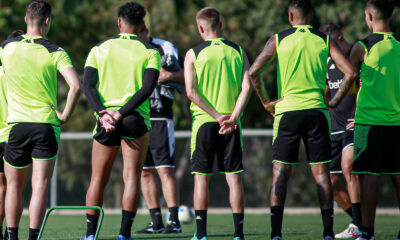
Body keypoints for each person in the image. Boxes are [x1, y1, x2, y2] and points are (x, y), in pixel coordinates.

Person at [249, 0, 357, 239]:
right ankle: (328, 233)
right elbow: (351, 73)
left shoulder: (278, 39)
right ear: (311, 15)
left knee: (280, 173)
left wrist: (267, 102)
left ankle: (276, 234)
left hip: (287, 112)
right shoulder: (323, 39)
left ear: (290, 16)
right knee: (321, 175)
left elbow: (253, 71)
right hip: (317, 113)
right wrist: (334, 101)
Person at [0, 0, 81, 239]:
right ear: (47, 21)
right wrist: (65, 115)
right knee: (40, 184)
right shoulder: (56, 51)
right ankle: (33, 237)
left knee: (13, 186)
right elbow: (75, 86)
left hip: (16, 126)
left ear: (26, 19)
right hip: (46, 125)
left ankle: (12, 236)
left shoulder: (7, 47)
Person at [81, 2, 160, 240]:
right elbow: (147, 89)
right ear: (142, 25)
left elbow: (87, 86)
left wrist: (105, 113)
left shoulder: (99, 48)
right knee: (132, 178)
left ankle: (90, 235)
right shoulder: (150, 51)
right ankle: (124, 235)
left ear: (119, 23)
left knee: (97, 179)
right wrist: (121, 113)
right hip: (134, 119)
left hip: (106, 120)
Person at [331, 0, 400, 239]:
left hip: (368, 122)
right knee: (398, 176)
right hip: (396, 122)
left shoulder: (363, 46)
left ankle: (367, 232)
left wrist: (333, 101)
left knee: (369, 177)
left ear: (369, 16)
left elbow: (349, 79)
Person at [184, 7, 252, 240]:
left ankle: (201, 235)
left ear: (201, 28)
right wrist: (232, 117)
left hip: (204, 122)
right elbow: (247, 88)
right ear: (220, 25)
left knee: (201, 178)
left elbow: (191, 93)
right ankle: (238, 234)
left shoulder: (193, 53)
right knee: (234, 178)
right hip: (232, 124)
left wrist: (215, 116)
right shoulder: (238, 51)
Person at [135, 26, 184, 234]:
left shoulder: (164, 47)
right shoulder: (129, 49)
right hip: (137, 117)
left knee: (164, 169)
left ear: (145, 30)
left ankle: (174, 221)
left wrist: (167, 75)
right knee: (144, 172)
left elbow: (186, 73)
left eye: (138, 33)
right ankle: (156, 221)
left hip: (160, 117)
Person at [320, 23, 361, 239]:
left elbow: (366, 88)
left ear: (340, 39)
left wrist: (361, 115)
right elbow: (326, 90)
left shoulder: (356, 57)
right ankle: (358, 221)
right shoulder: (327, 62)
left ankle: (358, 225)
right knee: (332, 184)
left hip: (353, 127)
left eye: (331, 44)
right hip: (333, 130)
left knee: (348, 167)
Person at [0, 29, 24, 240]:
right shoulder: (18, 73)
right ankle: (11, 233)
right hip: (11, 134)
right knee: (13, 187)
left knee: (2, 188)